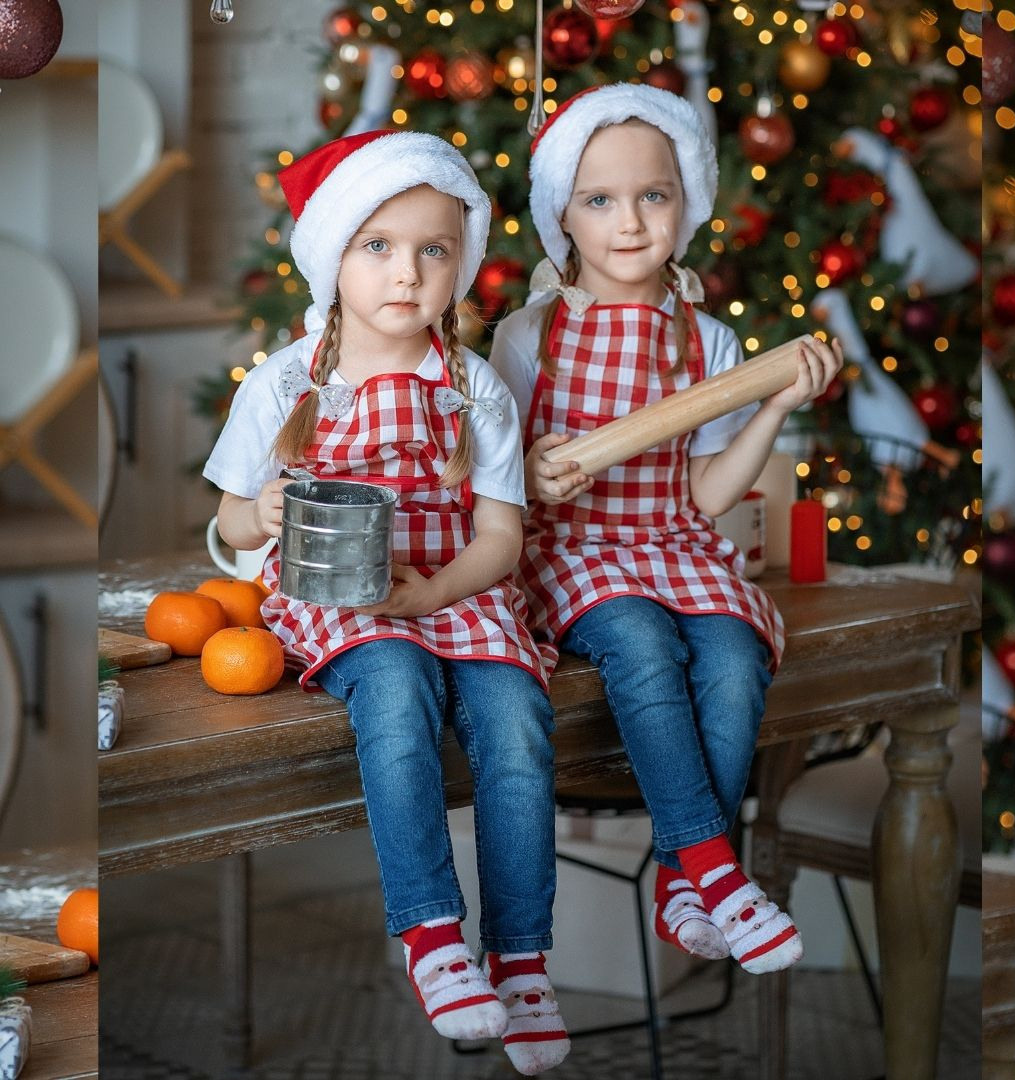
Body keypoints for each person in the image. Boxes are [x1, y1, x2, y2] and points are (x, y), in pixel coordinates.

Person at [204, 131, 569, 1076]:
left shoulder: (474, 389)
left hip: (450, 587)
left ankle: (522, 960)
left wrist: (439, 591)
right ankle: (433, 937)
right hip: (341, 605)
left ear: (461, 266)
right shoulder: (287, 384)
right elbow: (231, 526)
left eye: (432, 250)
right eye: (377, 247)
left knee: (517, 717)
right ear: (335, 257)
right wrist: (264, 510)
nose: (406, 274)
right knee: (398, 694)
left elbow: (500, 536)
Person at [491, 84, 843, 975]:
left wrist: (774, 403)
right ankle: (718, 867)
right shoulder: (531, 335)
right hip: (573, 551)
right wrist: (531, 468)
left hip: (673, 545)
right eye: (599, 199)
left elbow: (711, 492)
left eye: (654, 195)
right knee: (644, 646)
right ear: (561, 216)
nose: (631, 222)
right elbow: (494, 474)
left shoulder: (709, 341)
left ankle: (683, 882)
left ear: (687, 205)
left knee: (731, 653)